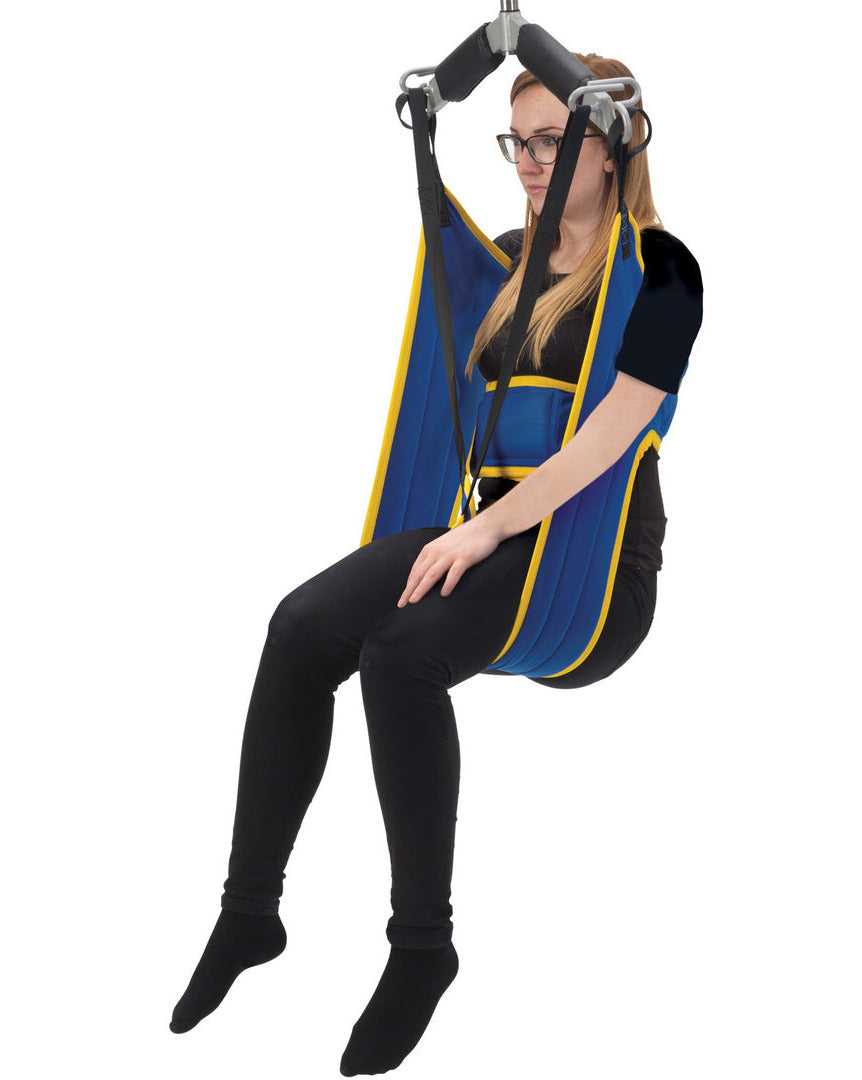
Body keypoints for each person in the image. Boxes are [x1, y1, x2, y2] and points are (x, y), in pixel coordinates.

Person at [169, 53, 703, 1076]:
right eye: (518, 142)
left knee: (399, 656)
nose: (531, 161)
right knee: (300, 629)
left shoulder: (664, 272)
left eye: (554, 141)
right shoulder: (507, 264)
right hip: (490, 533)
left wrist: (483, 534)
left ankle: (422, 948)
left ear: (613, 146)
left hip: (592, 571)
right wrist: (470, 529)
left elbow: (612, 436)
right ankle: (250, 913)